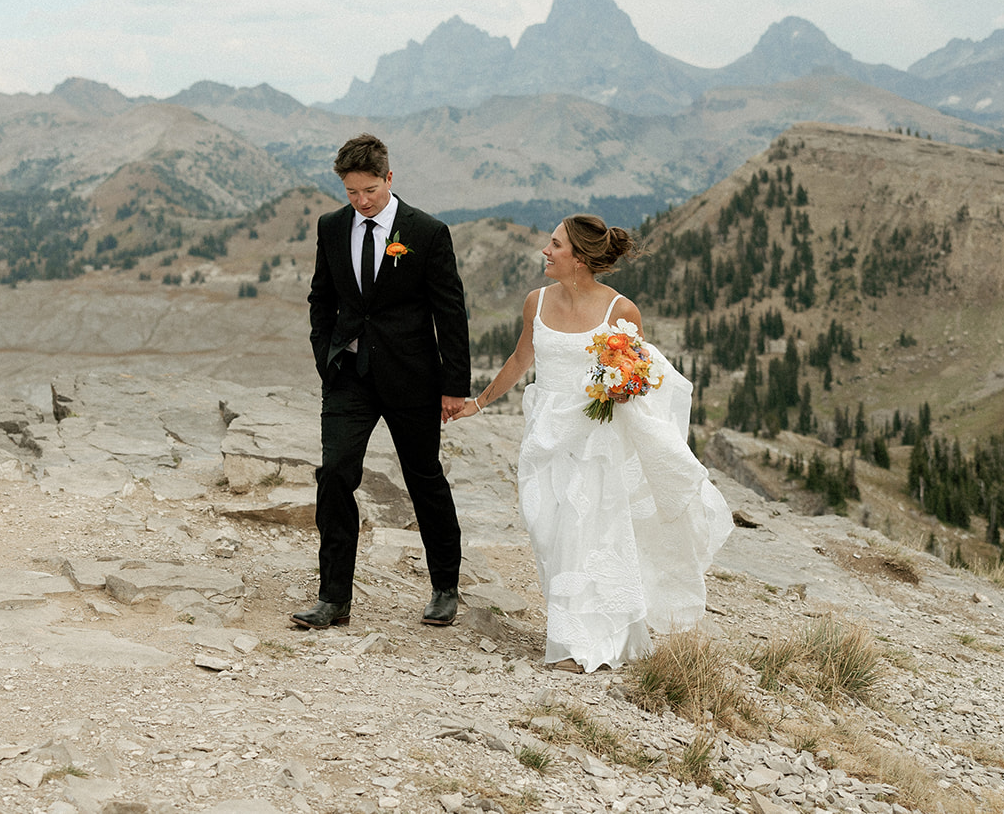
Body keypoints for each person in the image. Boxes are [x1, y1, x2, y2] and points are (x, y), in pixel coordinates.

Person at [452, 215, 731, 671]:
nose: (545, 250)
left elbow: (641, 374)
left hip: (598, 437)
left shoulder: (621, 311)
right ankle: (605, 634)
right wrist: (478, 403)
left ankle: (579, 644)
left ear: (579, 260)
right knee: (549, 529)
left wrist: (621, 386)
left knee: (589, 532)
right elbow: (522, 358)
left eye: (555, 244)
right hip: (546, 430)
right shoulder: (535, 302)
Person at [297, 134, 472, 630]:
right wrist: (324, 354)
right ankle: (333, 599)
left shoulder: (428, 231)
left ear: (389, 178)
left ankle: (444, 586)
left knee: (423, 478)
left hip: (412, 378)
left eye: (370, 190)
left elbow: (450, 312)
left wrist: (454, 384)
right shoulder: (331, 227)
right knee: (334, 474)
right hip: (349, 375)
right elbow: (320, 297)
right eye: (352, 192)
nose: (362, 201)